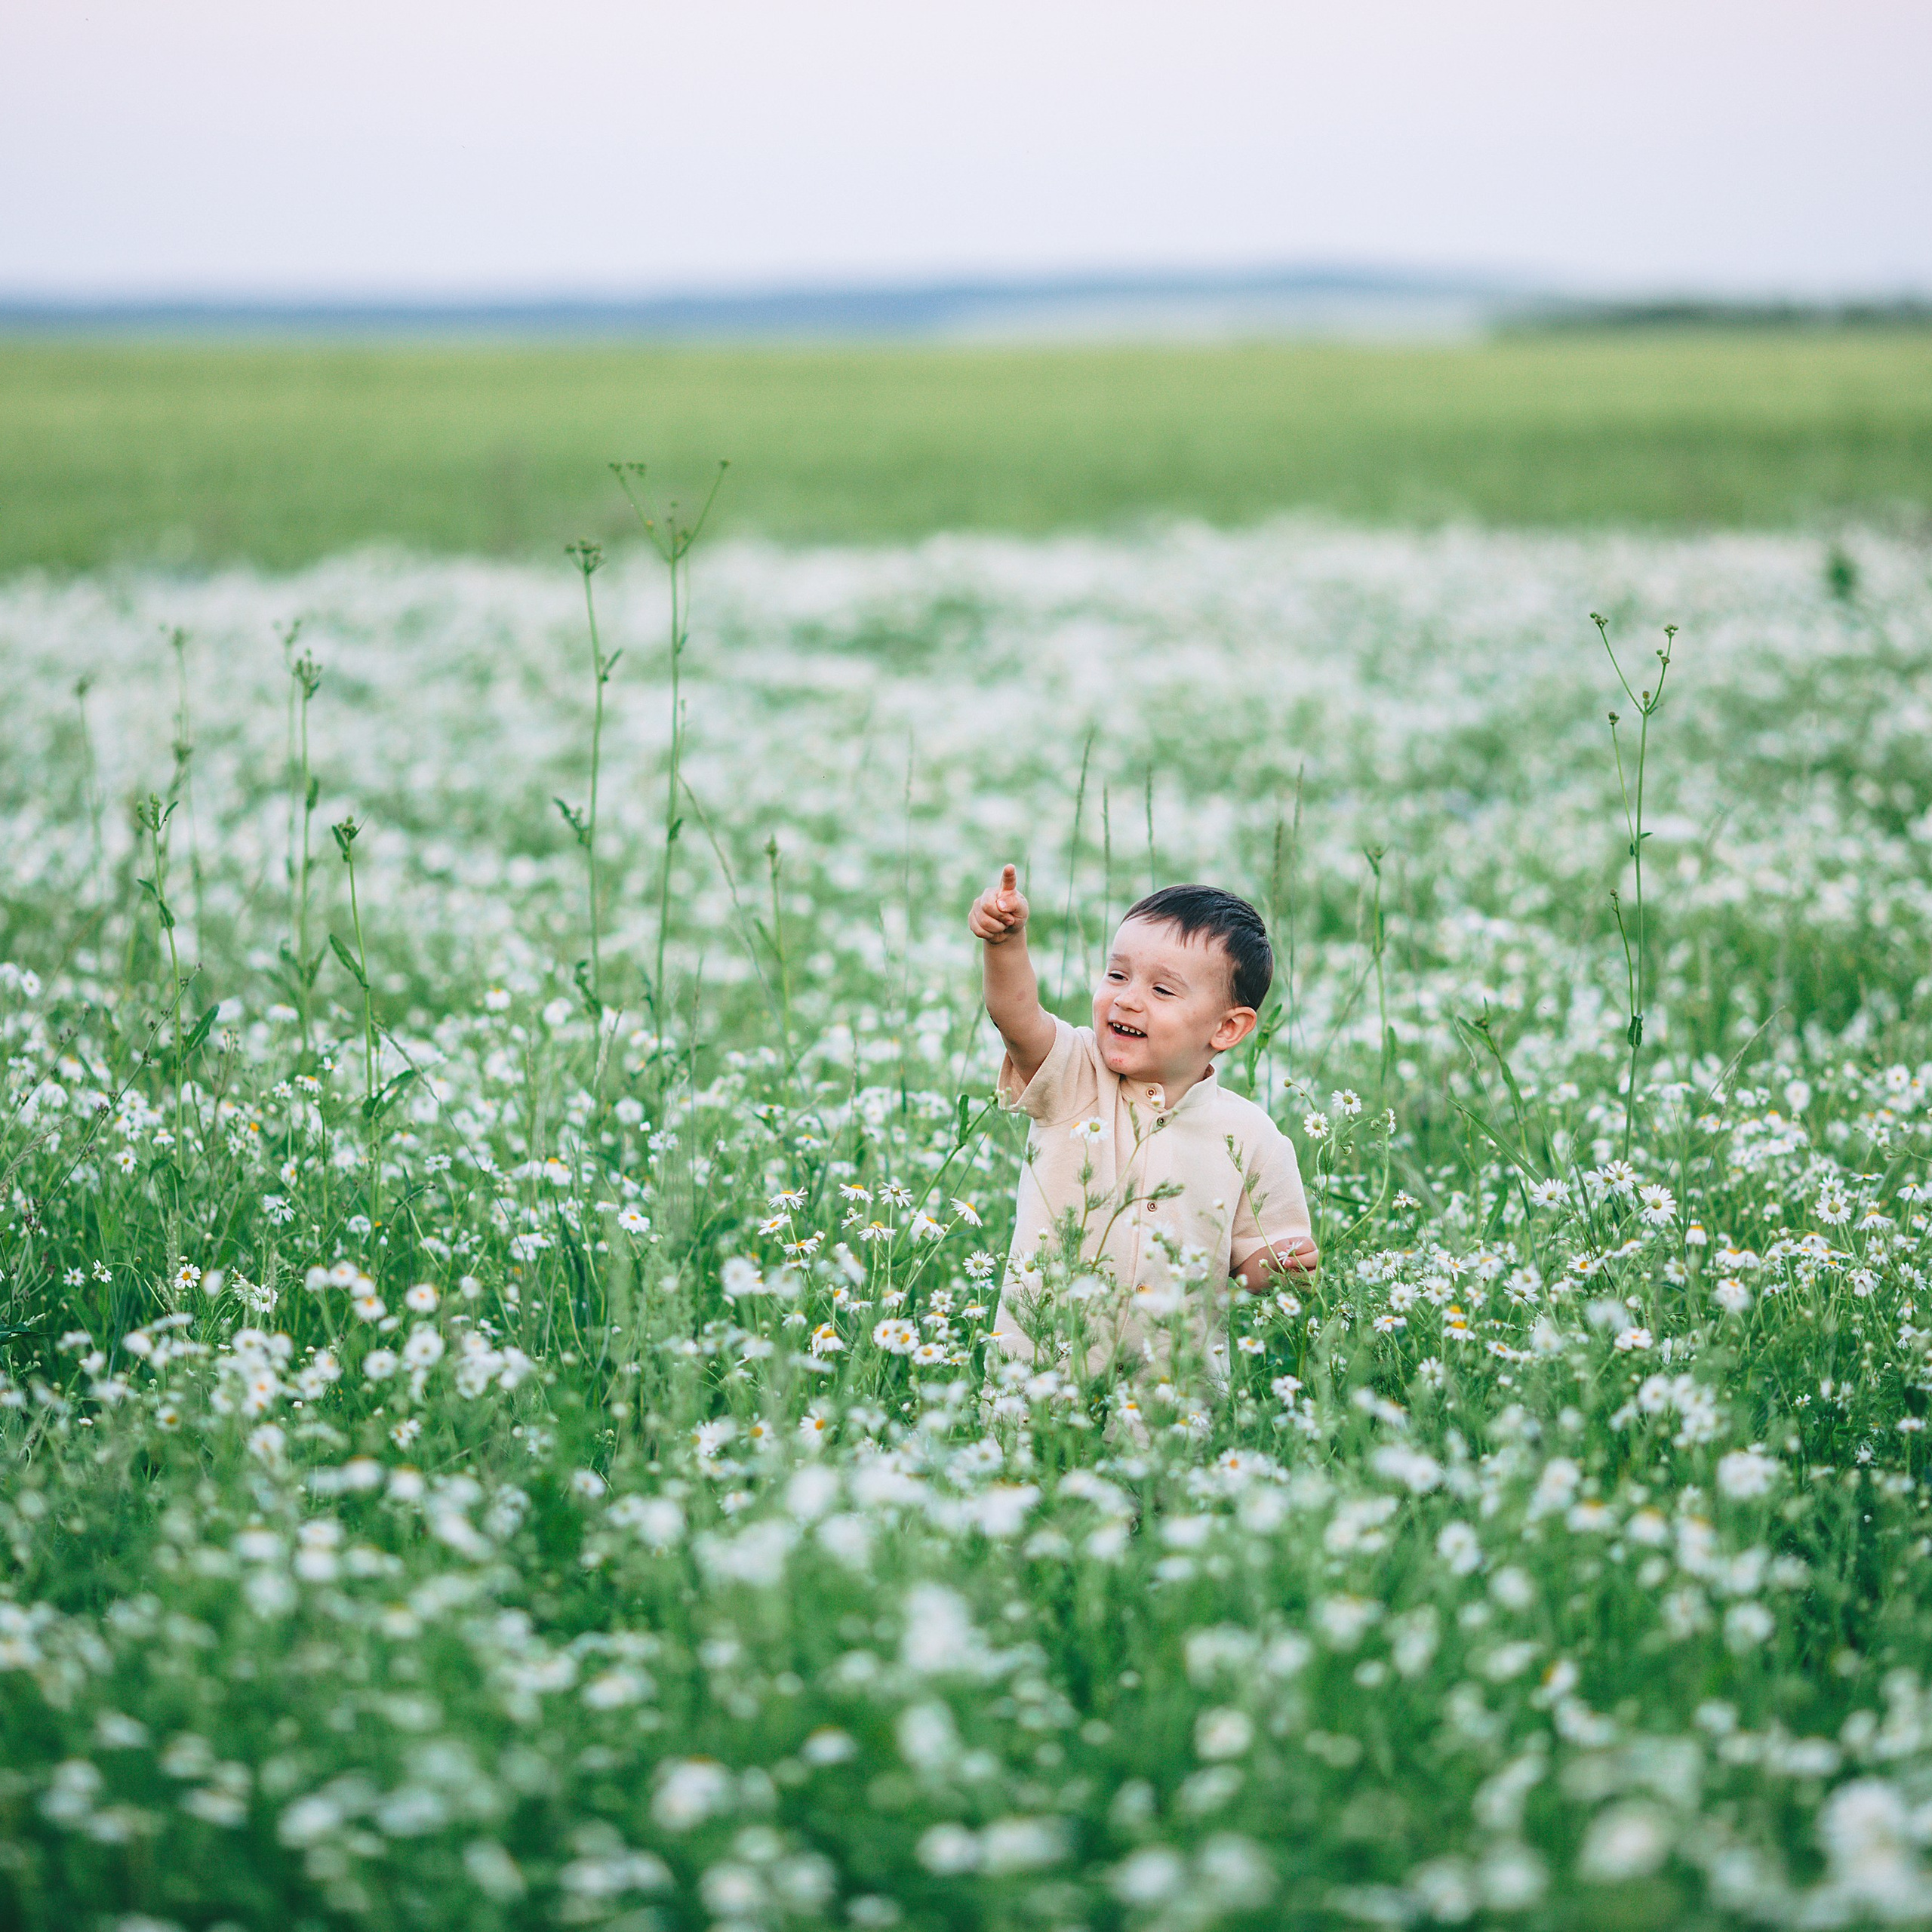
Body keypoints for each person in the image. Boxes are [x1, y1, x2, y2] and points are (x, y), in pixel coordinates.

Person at [968, 864, 1317, 1383]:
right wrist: (1006, 944)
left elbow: (1251, 1267)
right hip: (1042, 1373)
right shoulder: (1074, 1075)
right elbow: (1014, 1016)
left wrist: (1276, 1265)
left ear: (1227, 1028)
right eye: (1117, 975)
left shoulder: (1253, 1137)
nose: (1128, 998)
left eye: (1163, 990)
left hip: (1170, 1396)